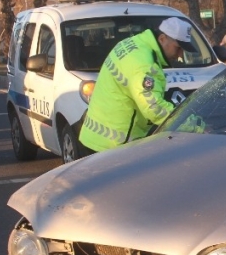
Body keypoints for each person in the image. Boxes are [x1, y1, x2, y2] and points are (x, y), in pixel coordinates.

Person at [78, 17, 197, 154]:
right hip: (112, 146)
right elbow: (153, 108)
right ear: (162, 38)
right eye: (178, 48)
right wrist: (192, 125)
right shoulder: (144, 64)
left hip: (96, 137)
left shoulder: (135, 43)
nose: (180, 55)